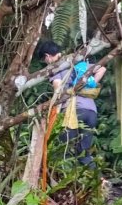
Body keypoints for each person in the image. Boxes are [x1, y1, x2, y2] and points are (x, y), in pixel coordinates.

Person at [36, 40, 106, 168]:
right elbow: (102, 68)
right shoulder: (77, 63)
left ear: (48, 56)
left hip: (72, 111)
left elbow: (58, 90)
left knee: (67, 150)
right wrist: (90, 85)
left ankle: (69, 183)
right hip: (90, 111)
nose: (46, 63)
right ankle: (97, 182)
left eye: (44, 60)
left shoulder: (55, 68)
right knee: (84, 151)